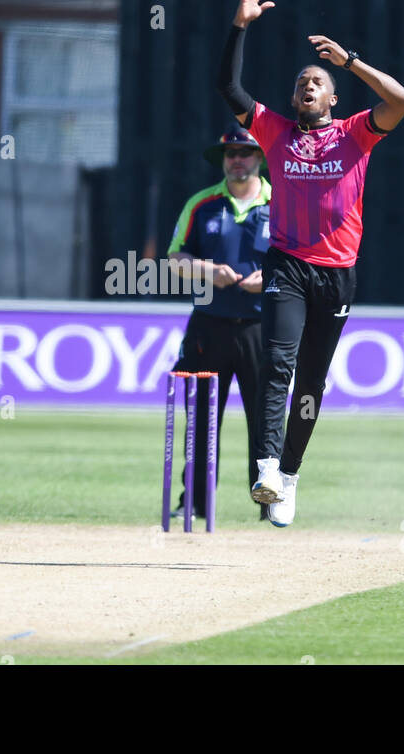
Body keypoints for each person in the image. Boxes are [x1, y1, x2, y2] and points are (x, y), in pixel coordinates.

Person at [216, 0, 404, 527]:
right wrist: (240, 26)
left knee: (311, 380)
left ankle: (292, 474)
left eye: (317, 81)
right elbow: (228, 88)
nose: (307, 84)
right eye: (301, 80)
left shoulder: (356, 132)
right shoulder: (274, 132)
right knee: (278, 363)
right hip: (287, 265)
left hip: (338, 274)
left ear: (332, 98)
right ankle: (267, 468)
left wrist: (348, 60)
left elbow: (402, 100)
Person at [166, 125, 271, 521]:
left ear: (259, 158)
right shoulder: (203, 203)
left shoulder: (280, 203)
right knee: (201, 419)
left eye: (245, 153)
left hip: (262, 329)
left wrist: (271, 277)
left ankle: (269, 503)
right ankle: (193, 502)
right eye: (231, 154)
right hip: (208, 327)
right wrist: (209, 271)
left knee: (266, 420)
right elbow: (176, 258)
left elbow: (301, 260)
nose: (237, 160)